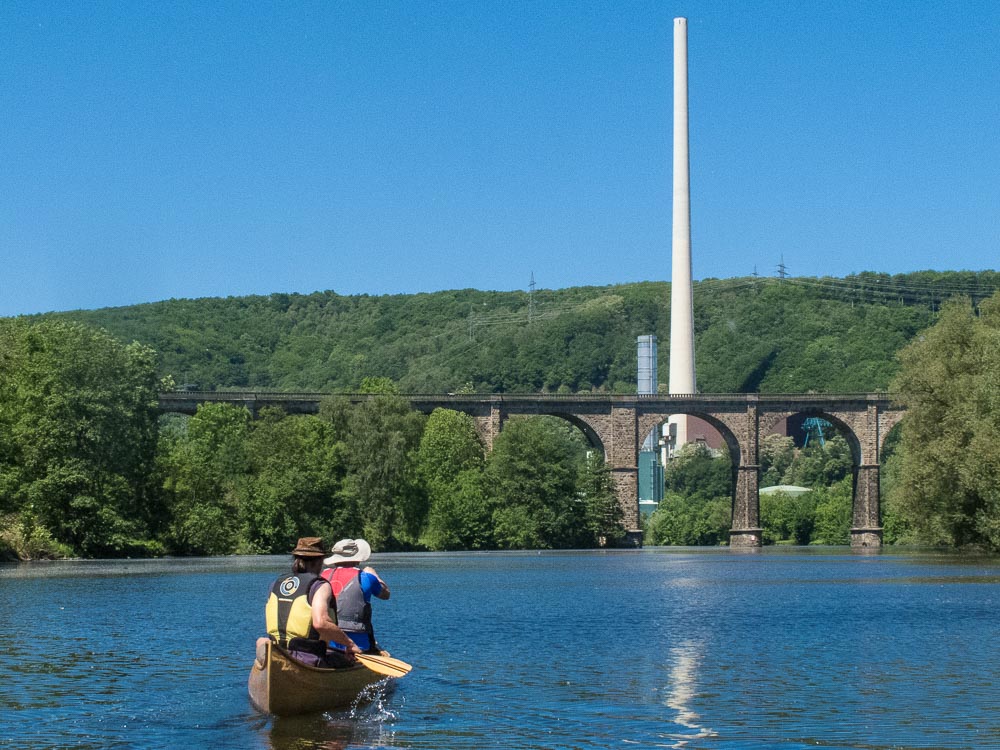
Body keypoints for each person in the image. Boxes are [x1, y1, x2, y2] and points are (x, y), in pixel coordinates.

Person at [260, 537, 362, 668]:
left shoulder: (276, 583)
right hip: (308, 658)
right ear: (319, 561)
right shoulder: (319, 586)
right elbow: (321, 622)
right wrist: (350, 644)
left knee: (261, 641)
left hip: (277, 654)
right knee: (349, 661)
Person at [321, 538, 391, 655]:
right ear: (357, 560)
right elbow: (386, 595)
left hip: (327, 640)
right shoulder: (366, 576)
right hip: (359, 643)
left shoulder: (323, 575)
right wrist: (374, 575)